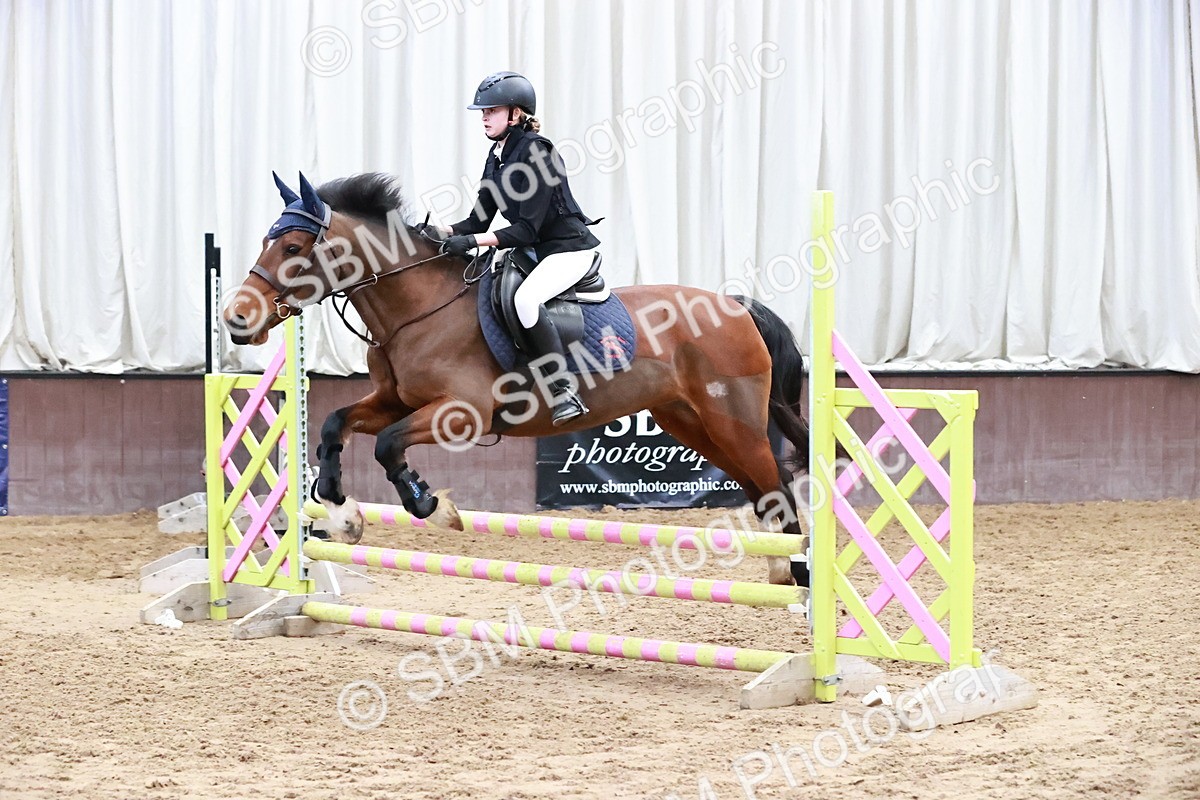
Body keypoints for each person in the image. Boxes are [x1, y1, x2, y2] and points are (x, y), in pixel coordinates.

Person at [431, 71, 601, 427]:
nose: (484, 118)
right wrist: (437, 232)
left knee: (525, 300)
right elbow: (477, 222)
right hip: (538, 252)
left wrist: (472, 243)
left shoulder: (538, 152)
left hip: (568, 250)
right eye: (482, 112)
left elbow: (525, 230)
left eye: (491, 111)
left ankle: (563, 390)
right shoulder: (497, 156)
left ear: (516, 114)